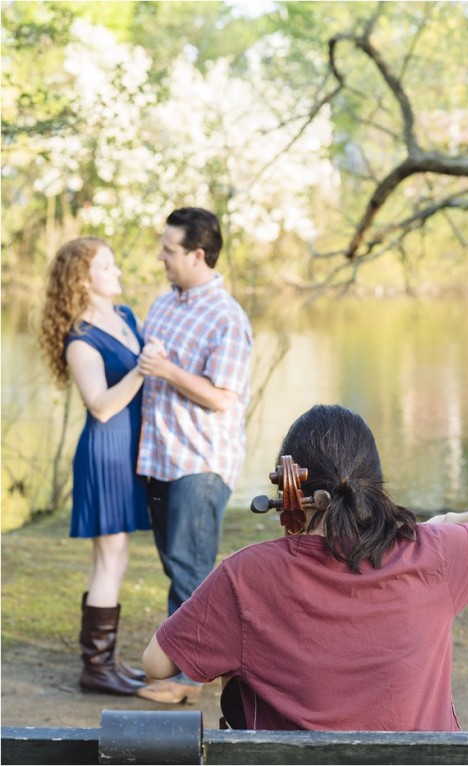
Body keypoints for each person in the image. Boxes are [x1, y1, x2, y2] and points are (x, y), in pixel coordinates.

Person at [141, 404, 468, 731]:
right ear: (373, 483)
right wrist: (435, 526)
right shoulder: (434, 554)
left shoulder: (247, 575)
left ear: (292, 487)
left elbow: (156, 663)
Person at [134, 207, 252, 704]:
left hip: (200, 462)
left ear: (197, 255)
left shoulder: (227, 317)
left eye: (169, 249)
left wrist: (167, 371)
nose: (161, 256)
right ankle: (179, 666)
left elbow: (224, 396)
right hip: (158, 458)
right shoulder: (163, 304)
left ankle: (190, 680)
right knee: (177, 565)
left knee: (193, 569)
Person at [40, 237, 156, 696]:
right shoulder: (80, 340)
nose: (118, 271)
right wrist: (143, 371)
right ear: (83, 279)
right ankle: (97, 667)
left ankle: (104, 663)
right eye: (107, 266)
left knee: (117, 555)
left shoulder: (126, 317)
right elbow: (102, 406)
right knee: (110, 557)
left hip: (130, 452)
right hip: (106, 453)